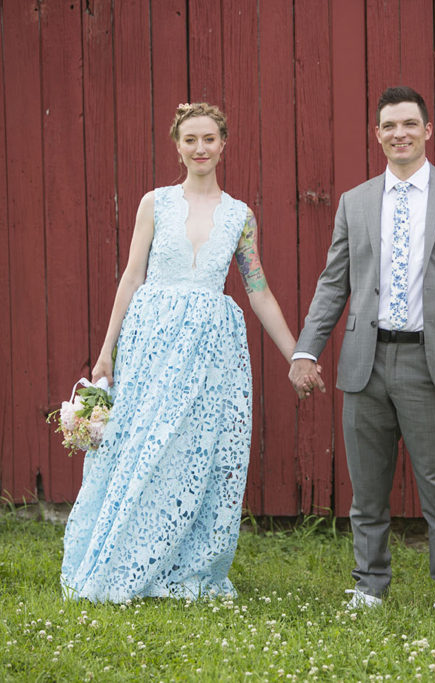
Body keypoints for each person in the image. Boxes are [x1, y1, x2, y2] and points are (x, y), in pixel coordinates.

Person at [60, 102, 298, 602]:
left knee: (191, 453)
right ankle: (119, 559)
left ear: (223, 144)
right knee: (139, 446)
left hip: (209, 352)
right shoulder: (156, 203)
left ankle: (177, 561)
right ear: (177, 145)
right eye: (190, 139)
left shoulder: (240, 216)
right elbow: (132, 276)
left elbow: (258, 291)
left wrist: (296, 354)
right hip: (150, 341)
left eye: (209, 138)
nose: (200, 148)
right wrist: (106, 353)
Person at [289, 86, 435, 616]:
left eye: (409, 124)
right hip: (365, 362)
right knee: (367, 489)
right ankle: (369, 585)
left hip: (429, 361)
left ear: (428, 130)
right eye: (388, 126)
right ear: (376, 135)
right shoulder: (355, 202)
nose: (399, 133)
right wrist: (306, 350)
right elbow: (335, 284)